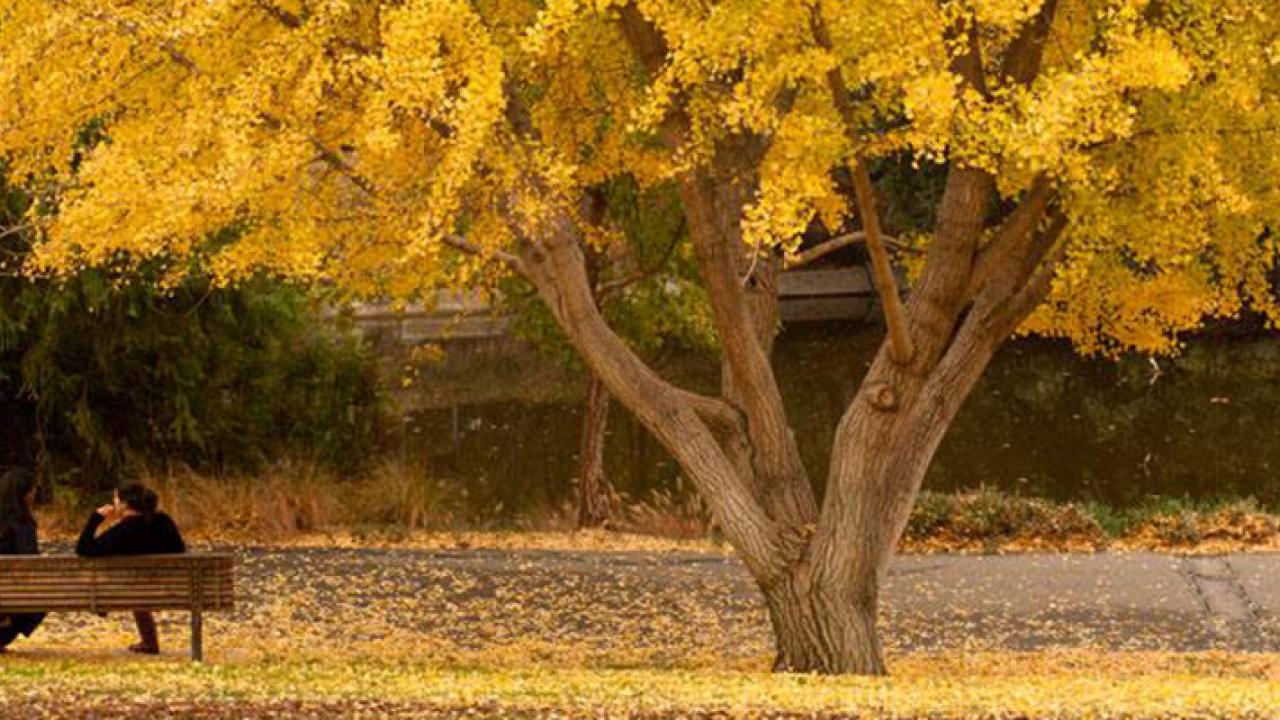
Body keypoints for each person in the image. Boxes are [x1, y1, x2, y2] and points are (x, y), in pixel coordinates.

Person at [76, 483, 186, 654]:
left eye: (115, 499)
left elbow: (84, 549)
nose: (113, 502)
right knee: (138, 586)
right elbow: (180, 549)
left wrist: (95, 518)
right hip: (170, 590)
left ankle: (104, 605)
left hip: (130, 591)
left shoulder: (123, 531)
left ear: (125, 504)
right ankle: (149, 643)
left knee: (128, 584)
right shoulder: (164, 522)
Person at [0, 467, 46, 653]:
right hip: (13, 596)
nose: (35, 493)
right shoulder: (22, 524)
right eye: (32, 489)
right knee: (45, 592)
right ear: (23, 493)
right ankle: (4, 623)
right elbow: (29, 562)